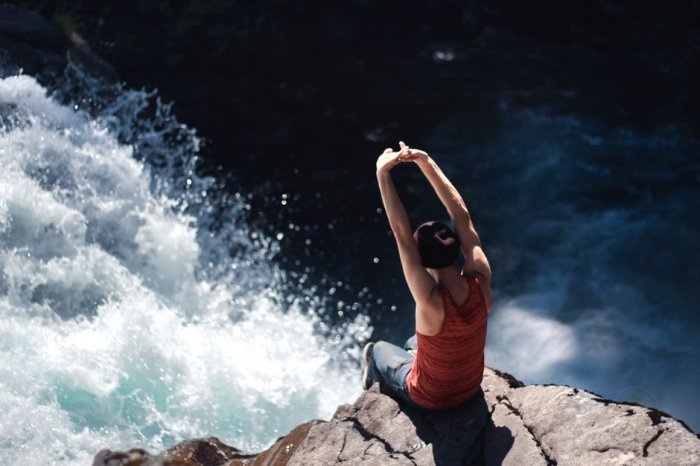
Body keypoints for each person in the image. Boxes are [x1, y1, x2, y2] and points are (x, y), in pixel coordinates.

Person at [362, 141, 492, 410]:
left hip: (431, 398)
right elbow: (461, 215)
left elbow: (400, 232)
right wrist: (426, 163)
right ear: (457, 246)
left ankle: (374, 400)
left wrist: (382, 173)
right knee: (414, 341)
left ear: (421, 260)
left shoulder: (430, 300)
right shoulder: (480, 277)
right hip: (470, 385)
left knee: (376, 350)